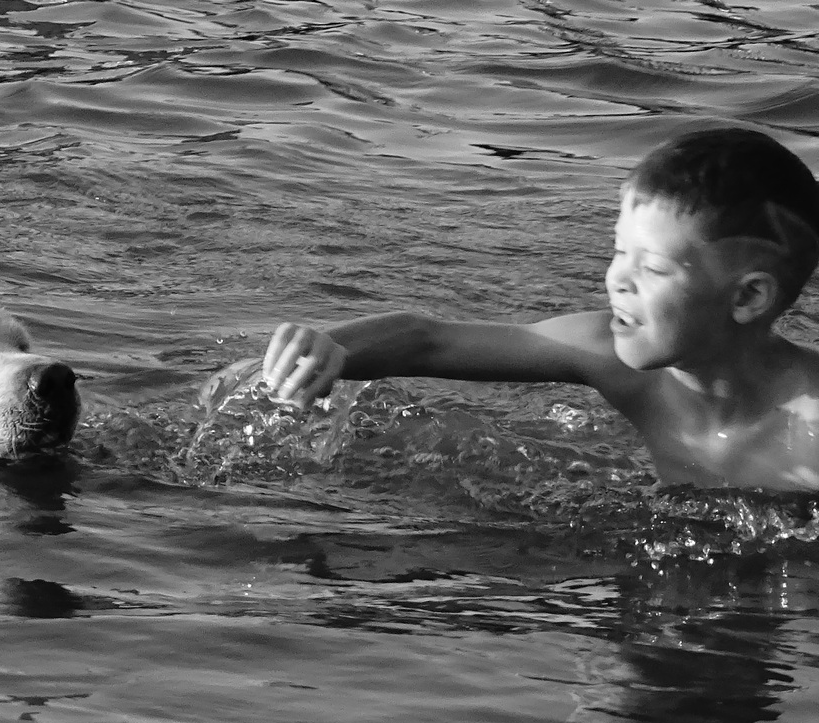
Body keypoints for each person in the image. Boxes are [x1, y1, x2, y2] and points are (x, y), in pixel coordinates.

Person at [261, 128, 819, 490]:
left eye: (652, 268)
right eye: (618, 250)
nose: (616, 279)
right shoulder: (614, 358)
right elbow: (431, 339)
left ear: (747, 298)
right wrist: (330, 348)